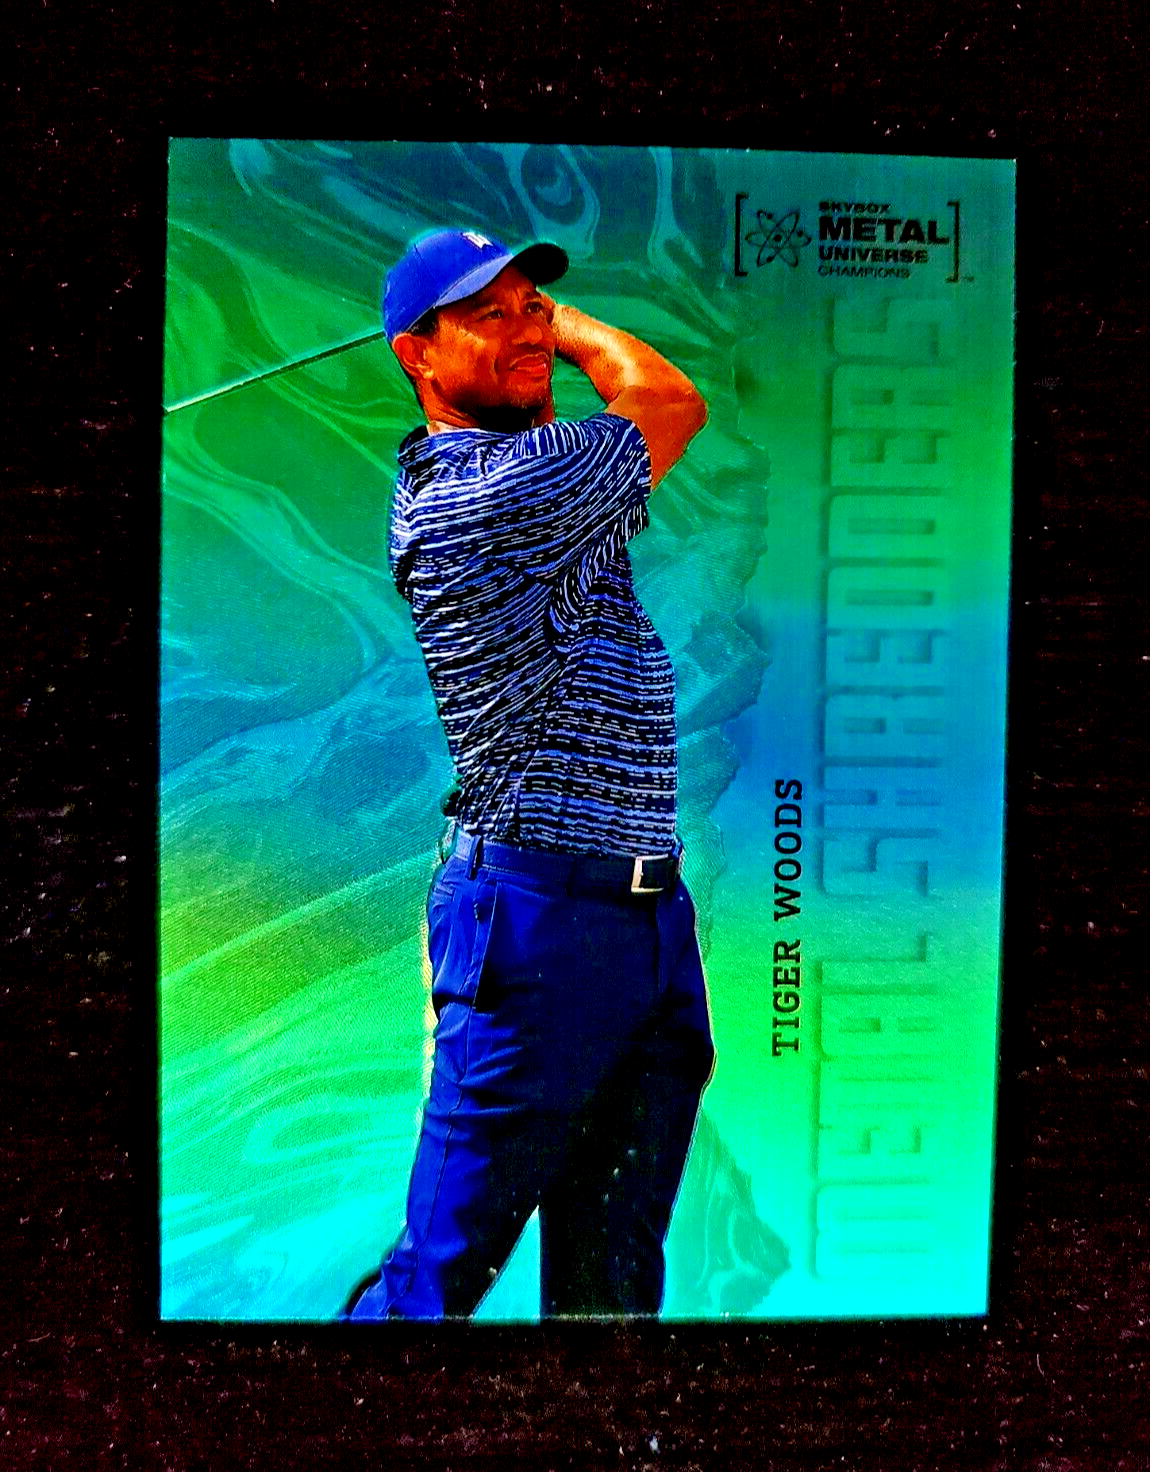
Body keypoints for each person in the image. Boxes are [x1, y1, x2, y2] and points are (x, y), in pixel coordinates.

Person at [343, 228, 715, 1320]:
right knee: (434, 1285)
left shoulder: (546, 477)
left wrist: (524, 337)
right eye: (489, 314)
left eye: (530, 305)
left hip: (648, 920)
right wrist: (566, 325)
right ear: (416, 353)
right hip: (535, 925)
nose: (524, 330)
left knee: (612, 1290)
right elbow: (668, 399)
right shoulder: (492, 490)